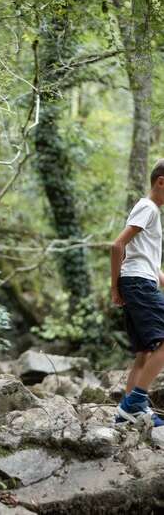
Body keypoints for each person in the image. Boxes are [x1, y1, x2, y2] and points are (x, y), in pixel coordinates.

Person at [110, 159, 164, 426]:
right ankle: (135, 403)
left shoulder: (150, 211)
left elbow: (144, 261)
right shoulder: (149, 208)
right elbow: (117, 245)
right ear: (161, 181)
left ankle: (127, 414)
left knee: (144, 352)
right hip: (138, 284)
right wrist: (114, 285)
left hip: (139, 281)